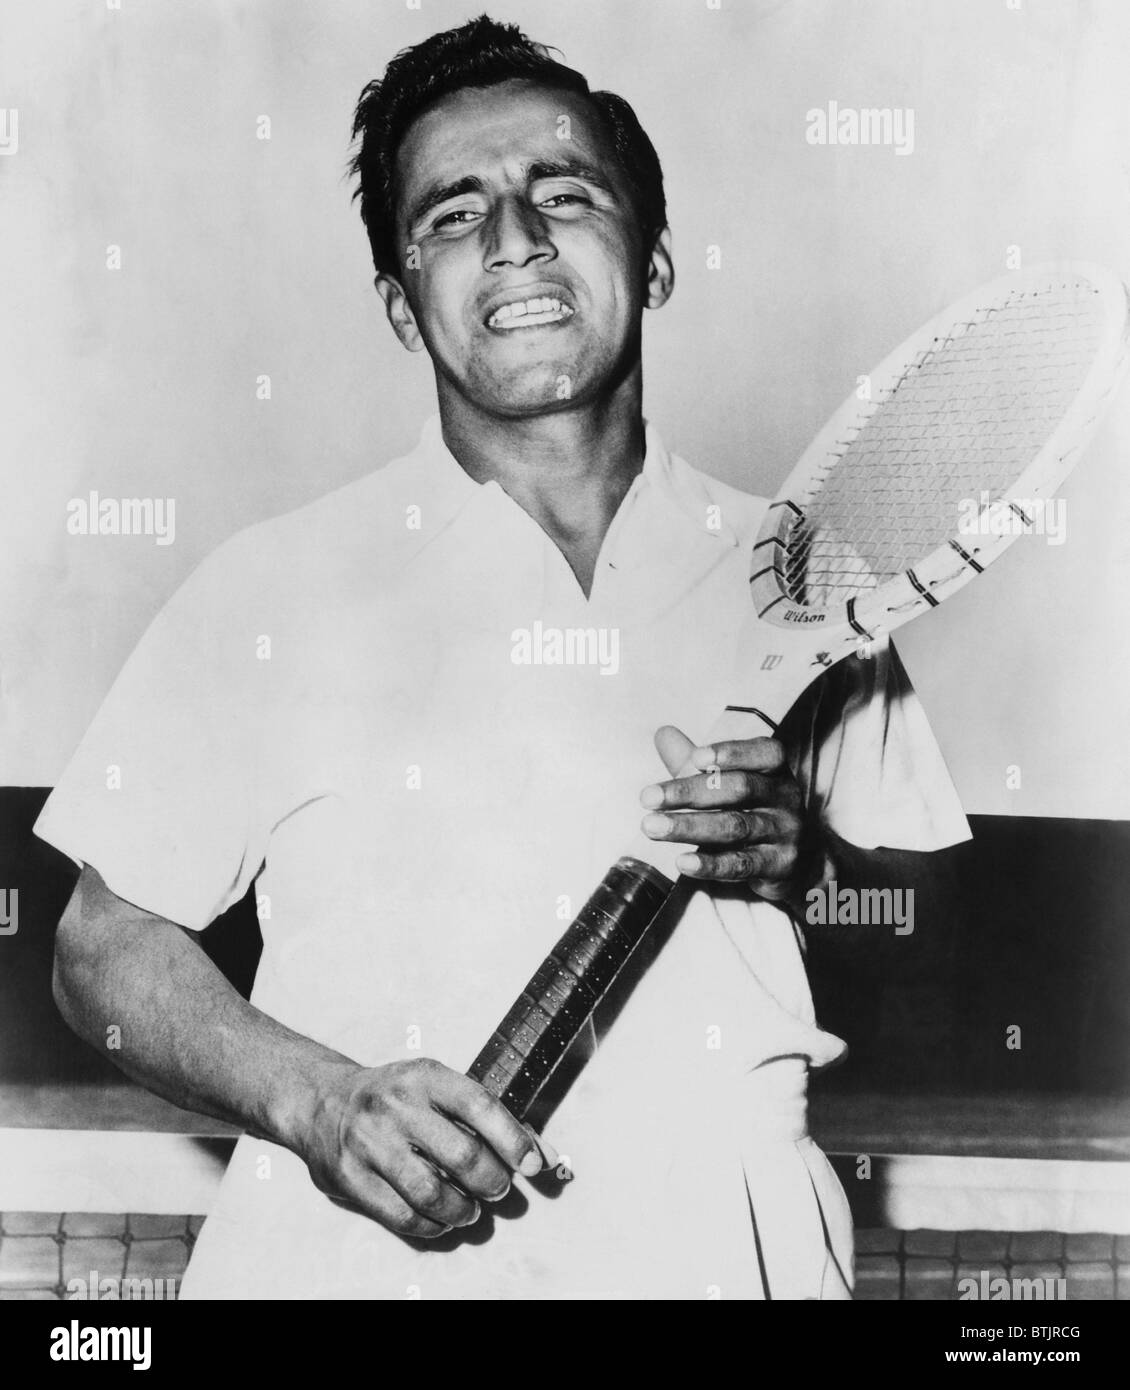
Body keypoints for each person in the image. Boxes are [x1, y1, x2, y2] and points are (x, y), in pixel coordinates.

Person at [38, 15, 969, 1299]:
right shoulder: (270, 587)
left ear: (651, 263)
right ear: (401, 305)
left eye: (564, 193)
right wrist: (318, 1105)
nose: (516, 240)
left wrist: (811, 858)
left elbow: (931, 935)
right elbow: (99, 954)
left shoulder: (809, 574)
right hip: (352, 1271)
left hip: (722, 1250)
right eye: (452, 215)